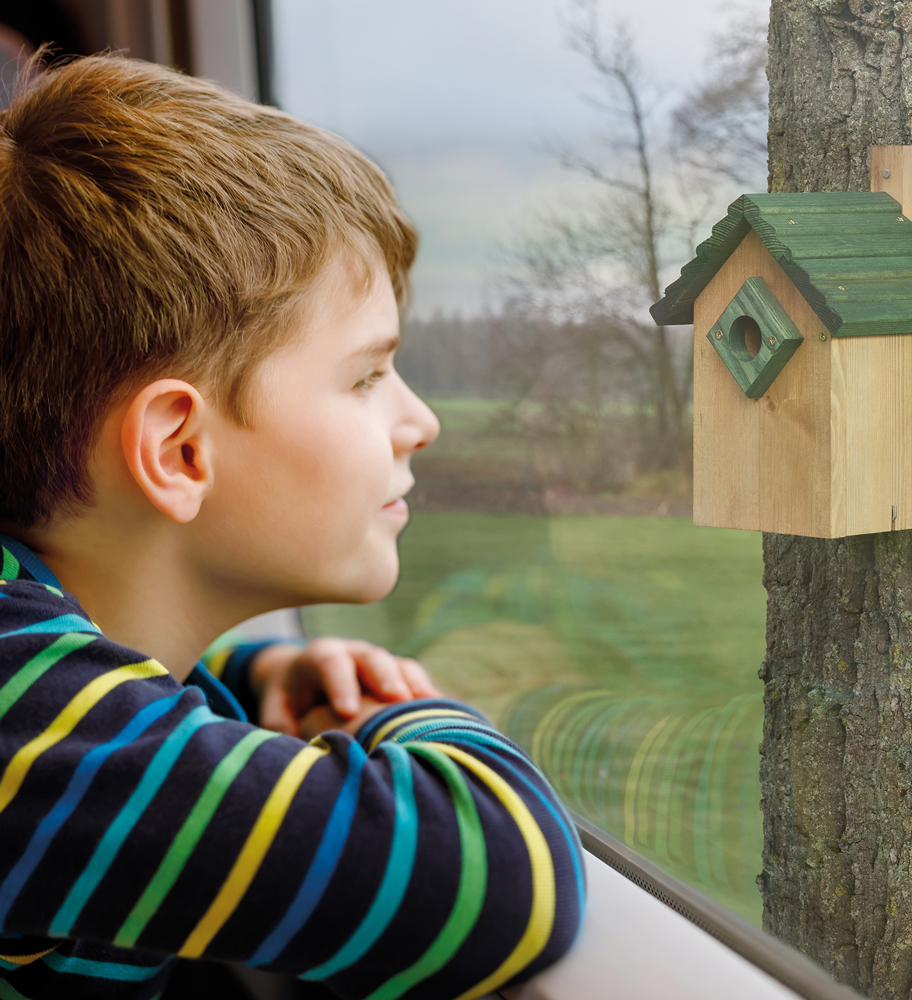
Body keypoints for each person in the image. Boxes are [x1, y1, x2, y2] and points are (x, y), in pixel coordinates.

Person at [0, 53, 585, 1000]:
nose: (420, 421)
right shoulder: (23, 730)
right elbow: (497, 880)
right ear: (181, 451)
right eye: (364, 377)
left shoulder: (46, 705)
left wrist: (247, 679)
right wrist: (404, 715)